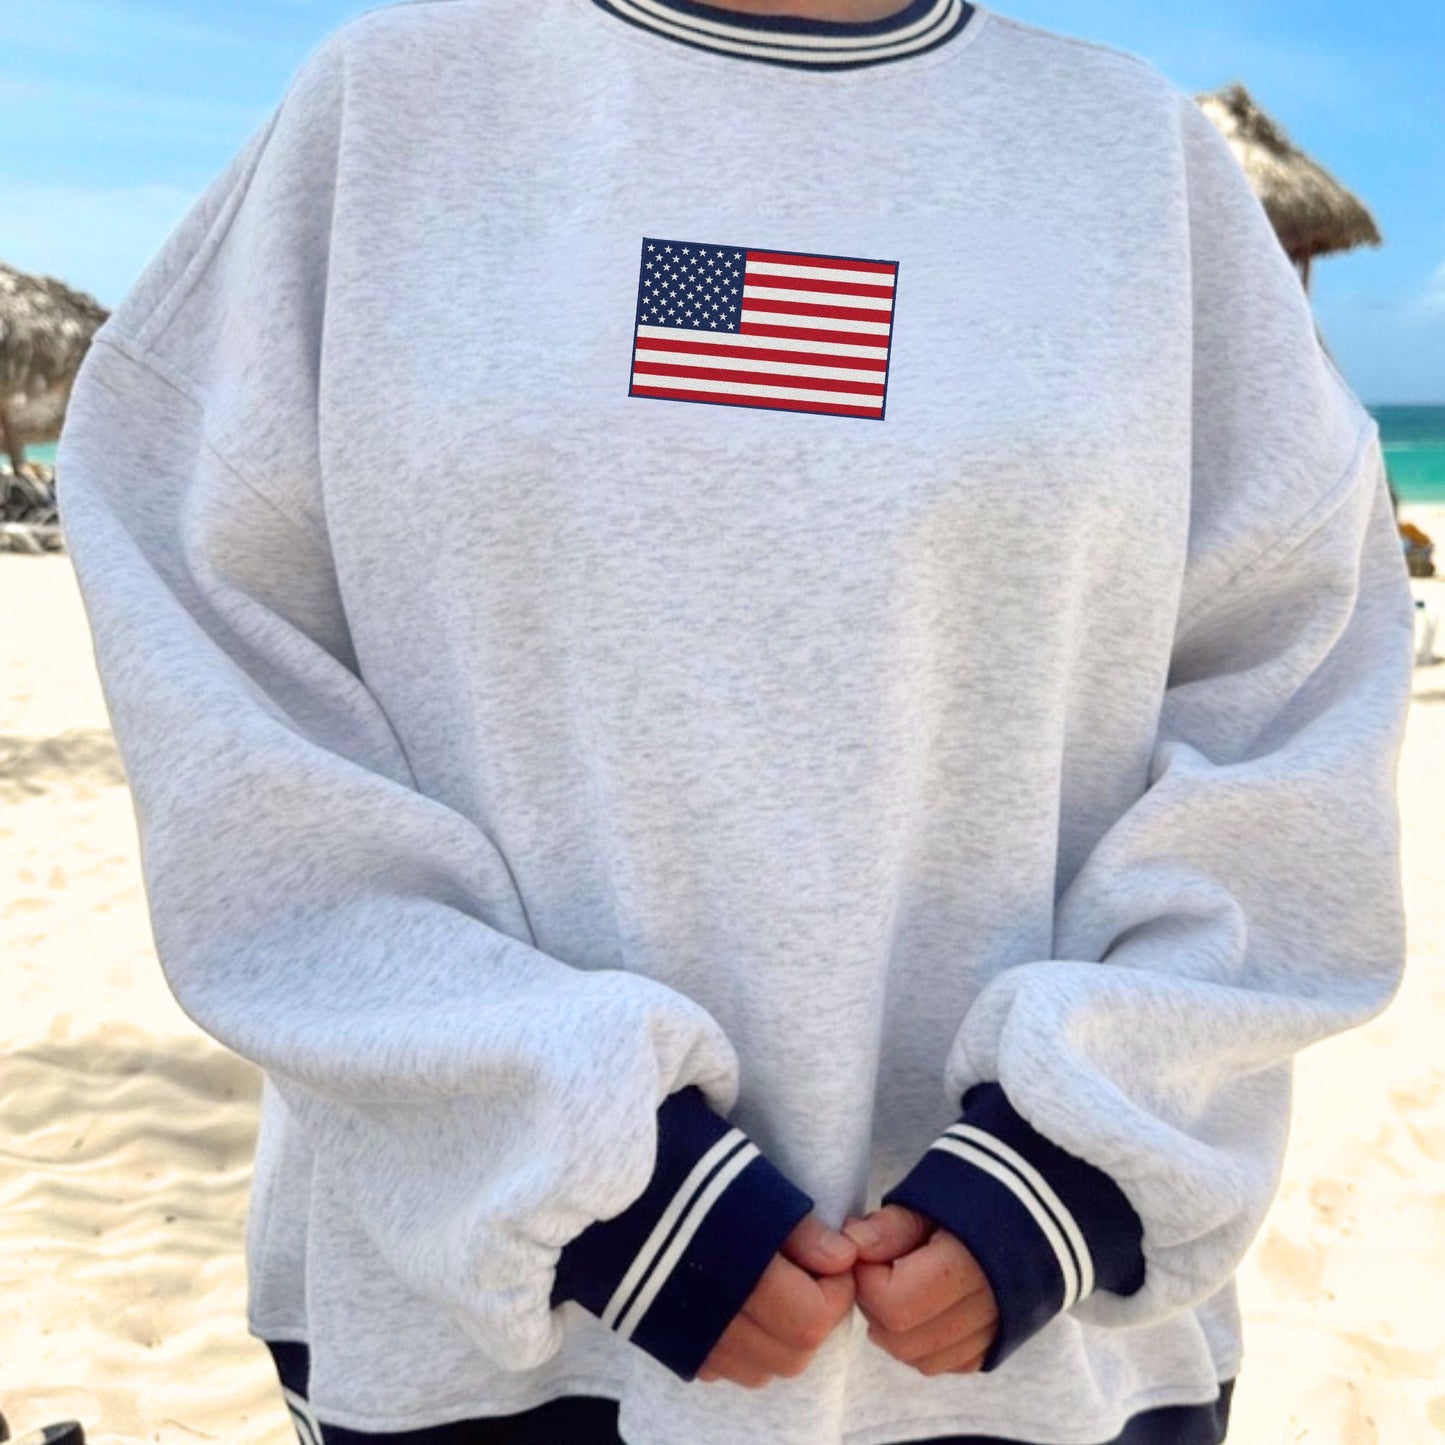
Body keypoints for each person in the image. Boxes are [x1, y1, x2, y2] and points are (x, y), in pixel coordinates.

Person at [54, 0, 1416, 1442]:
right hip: (500, 1344)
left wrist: (1075, 1155)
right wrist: (582, 1161)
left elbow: (1294, 685)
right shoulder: (390, 111)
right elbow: (216, 652)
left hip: (1036, 1359)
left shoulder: (1139, 162)